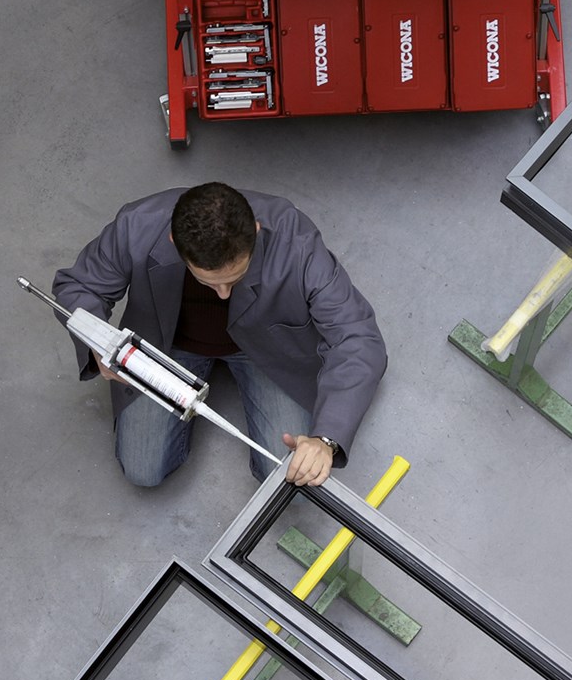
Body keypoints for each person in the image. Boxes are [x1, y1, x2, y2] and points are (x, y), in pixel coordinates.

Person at [52, 182, 386, 488]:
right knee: (143, 470)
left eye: (234, 279)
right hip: (168, 346)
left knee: (289, 477)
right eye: (209, 282)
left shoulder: (295, 240)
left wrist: (326, 440)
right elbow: (79, 286)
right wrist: (97, 340)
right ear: (174, 242)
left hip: (265, 351)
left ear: (255, 232)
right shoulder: (136, 225)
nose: (224, 294)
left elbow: (357, 337)